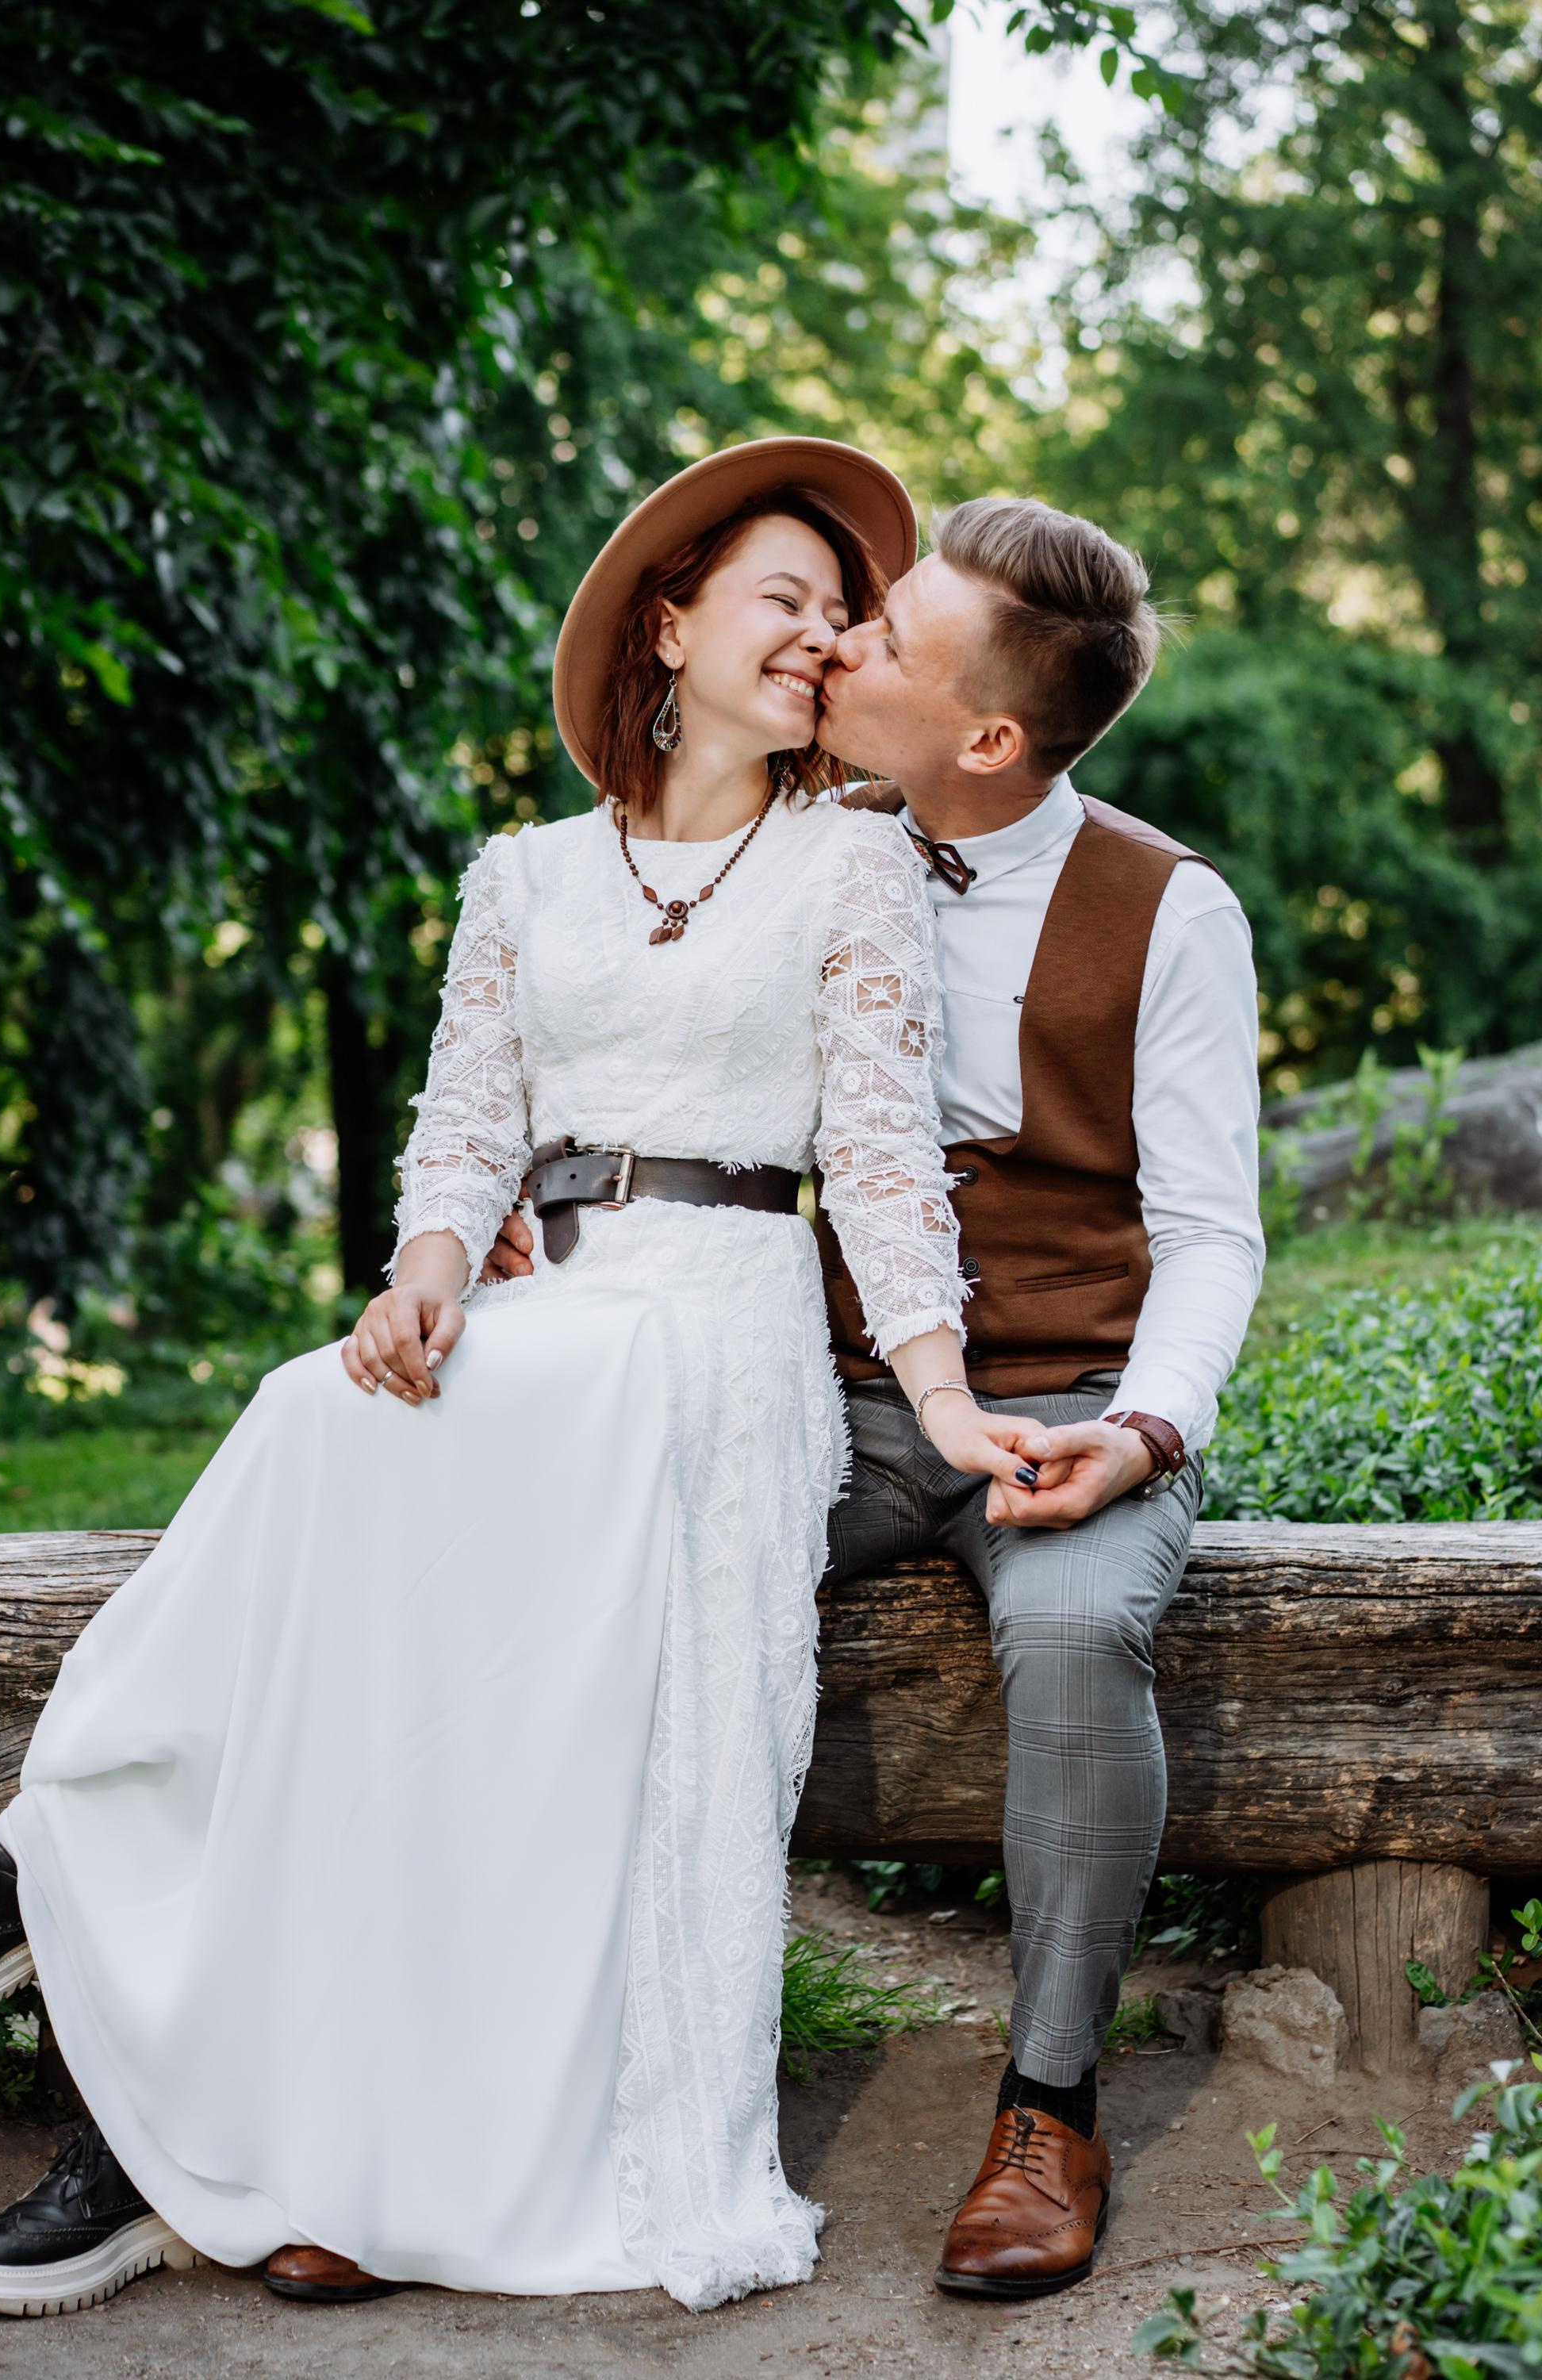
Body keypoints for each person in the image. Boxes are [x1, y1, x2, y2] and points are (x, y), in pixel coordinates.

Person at [0, 439, 1055, 2320]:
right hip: (548, 1318)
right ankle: (167, 2052)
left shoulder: (852, 862)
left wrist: (948, 1409)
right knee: (350, 1499)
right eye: (782, 600)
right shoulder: (526, 874)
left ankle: (17, 1871)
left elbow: (876, 1159)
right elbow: (465, 1130)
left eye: (835, 615)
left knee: (311, 1433)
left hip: (713, 1326)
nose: (816, 639)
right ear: (673, 621)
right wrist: (428, 1273)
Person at [486, 493, 1264, 2302]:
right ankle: (514, 2073)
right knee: (582, 1555)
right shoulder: (787, 841)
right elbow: (632, 1060)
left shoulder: (1168, 911)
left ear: (987, 736)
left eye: (886, 642)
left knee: (1075, 1639)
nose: (836, 645)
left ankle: (1047, 2102)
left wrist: (1138, 1429)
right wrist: (542, 1232)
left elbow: (1213, 1234)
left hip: (1068, 1396)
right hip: (816, 1389)